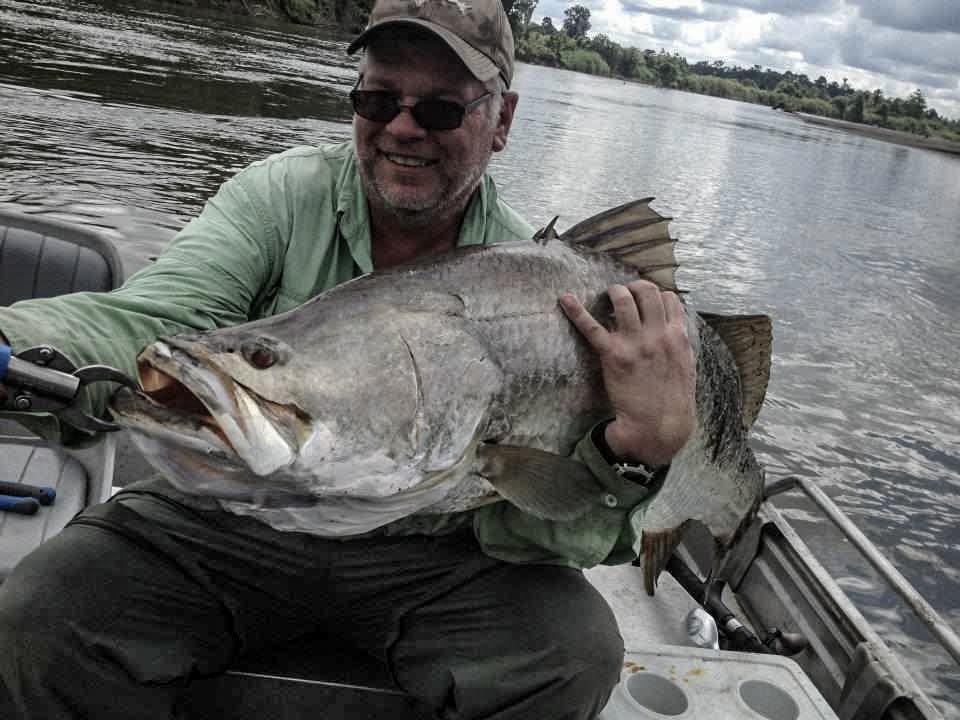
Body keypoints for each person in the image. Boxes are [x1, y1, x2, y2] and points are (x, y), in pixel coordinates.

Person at [0, 0, 695, 717]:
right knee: (44, 611)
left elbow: (551, 530)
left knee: (573, 655)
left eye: (440, 111)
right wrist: (11, 341)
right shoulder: (280, 196)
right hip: (238, 519)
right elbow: (151, 322)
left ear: (503, 122)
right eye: (377, 98)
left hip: (435, 552)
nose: (401, 126)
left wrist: (635, 455)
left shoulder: (546, 292)